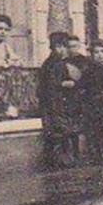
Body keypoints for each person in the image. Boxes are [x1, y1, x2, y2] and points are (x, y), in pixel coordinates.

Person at [38, 31, 82, 167]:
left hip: (60, 103)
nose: (63, 50)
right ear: (54, 47)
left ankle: (62, 160)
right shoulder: (51, 64)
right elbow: (47, 85)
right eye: (60, 47)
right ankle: (57, 161)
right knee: (57, 132)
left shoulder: (59, 63)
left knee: (62, 132)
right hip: (53, 104)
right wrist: (62, 84)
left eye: (65, 47)